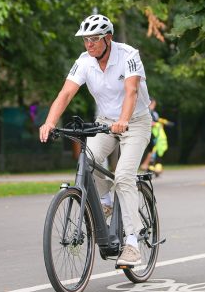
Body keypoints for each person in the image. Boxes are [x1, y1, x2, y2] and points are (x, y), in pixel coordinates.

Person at [39, 14, 152, 266]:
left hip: (134, 122)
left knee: (123, 176)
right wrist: (49, 121)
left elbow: (131, 91)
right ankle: (105, 200)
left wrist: (123, 120)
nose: (88, 44)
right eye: (85, 40)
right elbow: (66, 93)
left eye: (94, 39)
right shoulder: (84, 62)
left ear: (108, 38)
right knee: (87, 159)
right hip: (105, 121)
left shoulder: (129, 55)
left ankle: (132, 243)